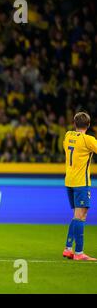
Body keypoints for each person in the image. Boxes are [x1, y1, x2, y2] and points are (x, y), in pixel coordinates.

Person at [62, 112, 97, 261]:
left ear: (74, 124)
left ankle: (68, 248)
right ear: (88, 125)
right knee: (81, 216)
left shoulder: (68, 136)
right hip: (81, 182)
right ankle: (79, 252)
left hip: (69, 181)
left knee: (77, 215)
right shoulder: (88, 139)